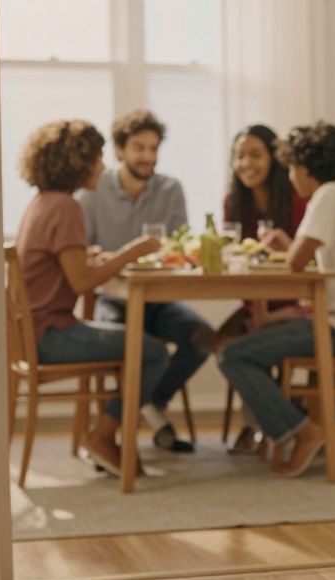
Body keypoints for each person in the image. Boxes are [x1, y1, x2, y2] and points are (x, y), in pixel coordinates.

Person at [217, 121, 335, 477]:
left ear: (305, 167)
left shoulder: (325, 198)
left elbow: (295, 266)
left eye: (292, 168)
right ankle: (283, 429)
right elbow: (313, 262)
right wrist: (287, 244)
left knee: (234, 354)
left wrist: (287, 251)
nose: (290, 177)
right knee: (247, 343)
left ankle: (302, 431)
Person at [14, 119, 170, 476]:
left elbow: (68, 267)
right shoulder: (67, 208)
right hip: (50, 335)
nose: (103, 165)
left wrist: (91, 256)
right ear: (77, 163)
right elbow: (82, 282)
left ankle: (109, 435)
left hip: (31, 333)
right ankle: (102, 436)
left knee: (139, 346)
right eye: (97, 157)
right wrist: (133, 251)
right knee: (153, 351)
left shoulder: (43, 203)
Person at [75, 108, 212, 453]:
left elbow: (180, 246)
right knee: (132, 348)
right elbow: (83, 254)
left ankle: (150, 404)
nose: (147, 156)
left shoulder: (171, 190)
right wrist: (99, 255)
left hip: (159, 299)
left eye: (153, 148)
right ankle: (125, 427)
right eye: (139, 147)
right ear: (120, 150)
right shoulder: (92, 191)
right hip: (113, 299)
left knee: (204, 338)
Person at [217, 123, 309, 454]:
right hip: (255, 303)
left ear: (274, 158)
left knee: (240, 348)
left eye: (255, 155)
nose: (246, 164)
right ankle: (261, 422)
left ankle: (269, 425)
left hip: (295, 306)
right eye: (239, 156)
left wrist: (268, 316)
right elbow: (239, 265)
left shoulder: (298, 200)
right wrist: (258, 311)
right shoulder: (234, 203)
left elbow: (310, 267)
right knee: (217, 341)